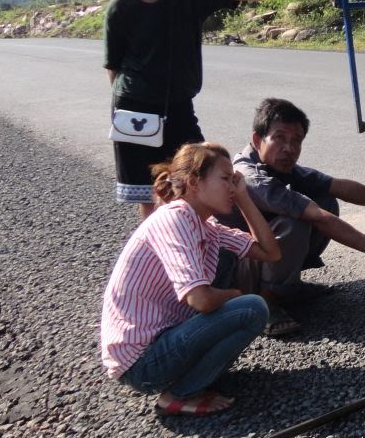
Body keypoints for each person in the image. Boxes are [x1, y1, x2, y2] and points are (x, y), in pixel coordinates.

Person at [104, 0, 345, 219]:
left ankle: (196, 251)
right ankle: (158, 258)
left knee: (194, 181)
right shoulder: (122, 7)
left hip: (179, 109)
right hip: (136, 115)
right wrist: (126, 114)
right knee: (152, 195)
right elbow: (113, 69)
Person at [100, 142, 281, 416]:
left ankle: (192, 377)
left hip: (159, 344)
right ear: (195, 182)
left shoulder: (205, 225)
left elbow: (270, 252)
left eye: (233, 180)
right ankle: (179, 393)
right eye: (225, 179)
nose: (231, 187)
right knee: (252, 308)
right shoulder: (175, 220)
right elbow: (201, 300)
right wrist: (234, 295)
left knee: (235, 282)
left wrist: (243, 197)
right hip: (141, 363)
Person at [220, 98, 365, 336]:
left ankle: (287, 287)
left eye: (296, 141)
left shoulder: (278, 165)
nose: (289, 148)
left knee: (326, 200)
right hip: (229, 277)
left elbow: (338, 186)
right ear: (257, 140)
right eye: (279, 138)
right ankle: (267, 302)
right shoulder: (251, 177)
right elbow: (315, 216)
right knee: (298, 220)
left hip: (255, 258)